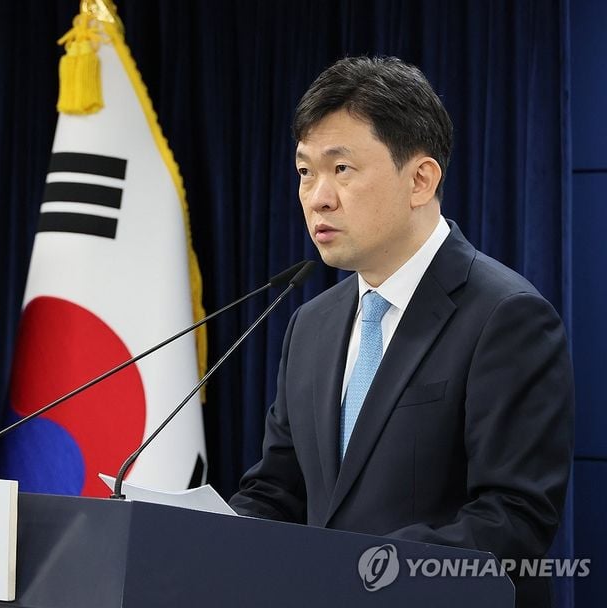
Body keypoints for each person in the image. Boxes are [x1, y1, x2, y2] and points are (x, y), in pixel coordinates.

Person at [229, 56, 574, 608]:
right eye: (305, 171)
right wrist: (197, 536)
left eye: (342, 168)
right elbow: (277, 490)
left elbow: (512, 521)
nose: (317, 196)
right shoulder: (311, 324)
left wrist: (357, 578)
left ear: (420, 180)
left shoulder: (507, 316)